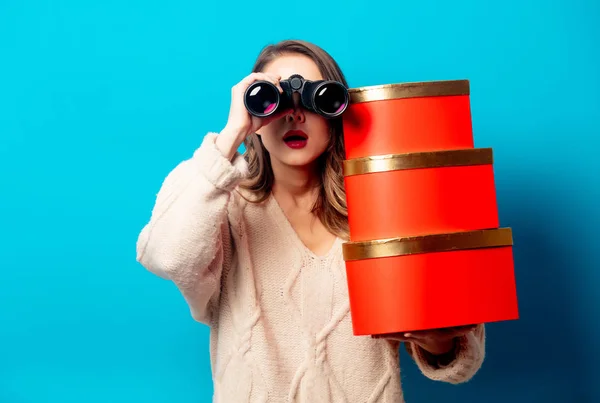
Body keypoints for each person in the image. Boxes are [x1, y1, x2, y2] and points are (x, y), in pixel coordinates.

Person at [135, 39, 486, 402]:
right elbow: (168, 255)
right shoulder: (219, 210)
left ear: (337, 109)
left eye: (315, 98)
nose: (294, 114)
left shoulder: (386, 208)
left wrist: (440, 341)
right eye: (276, 98)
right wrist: (232, 134)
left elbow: (462, 358)